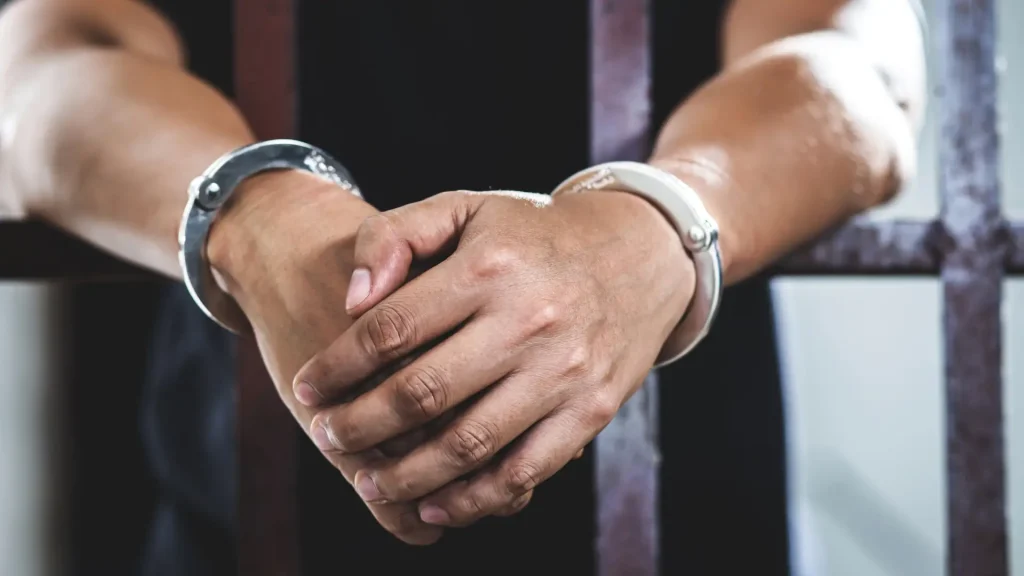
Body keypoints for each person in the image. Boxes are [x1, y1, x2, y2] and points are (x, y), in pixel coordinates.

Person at [0, 0, 927, 574]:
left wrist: (656, 226)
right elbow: (40, 67)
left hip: (679, 523)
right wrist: (255, 212)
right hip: (251, 522)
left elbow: (854, 59)